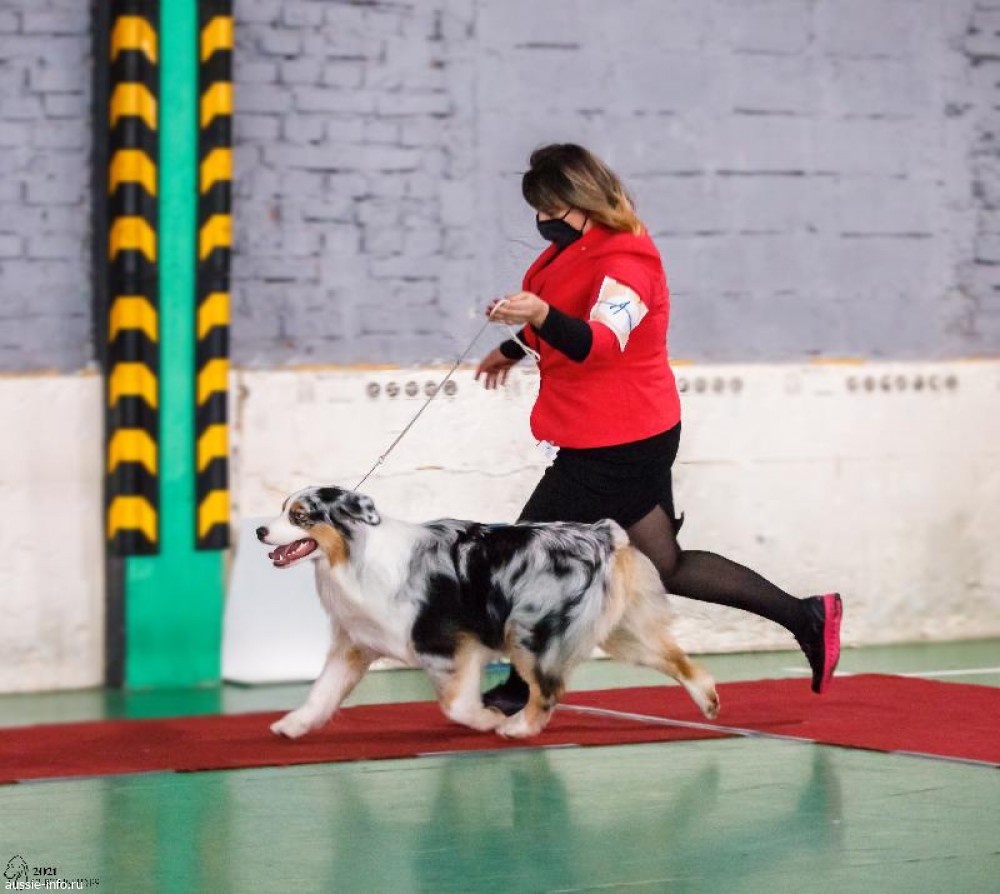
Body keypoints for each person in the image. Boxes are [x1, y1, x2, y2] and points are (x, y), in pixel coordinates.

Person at [474, 143, 842, 715]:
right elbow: (563, 310)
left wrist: (539, 316)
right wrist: (515, 344)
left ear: (583, 201)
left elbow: (599, 341)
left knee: (527, 554)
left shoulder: (629, 265)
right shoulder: (575, 250)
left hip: (617, 443)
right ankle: (808, 616)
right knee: (664, 565)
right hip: (621, 432)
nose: (542, 219)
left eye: (551, 208)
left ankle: (523, 688)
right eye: (537, 210)